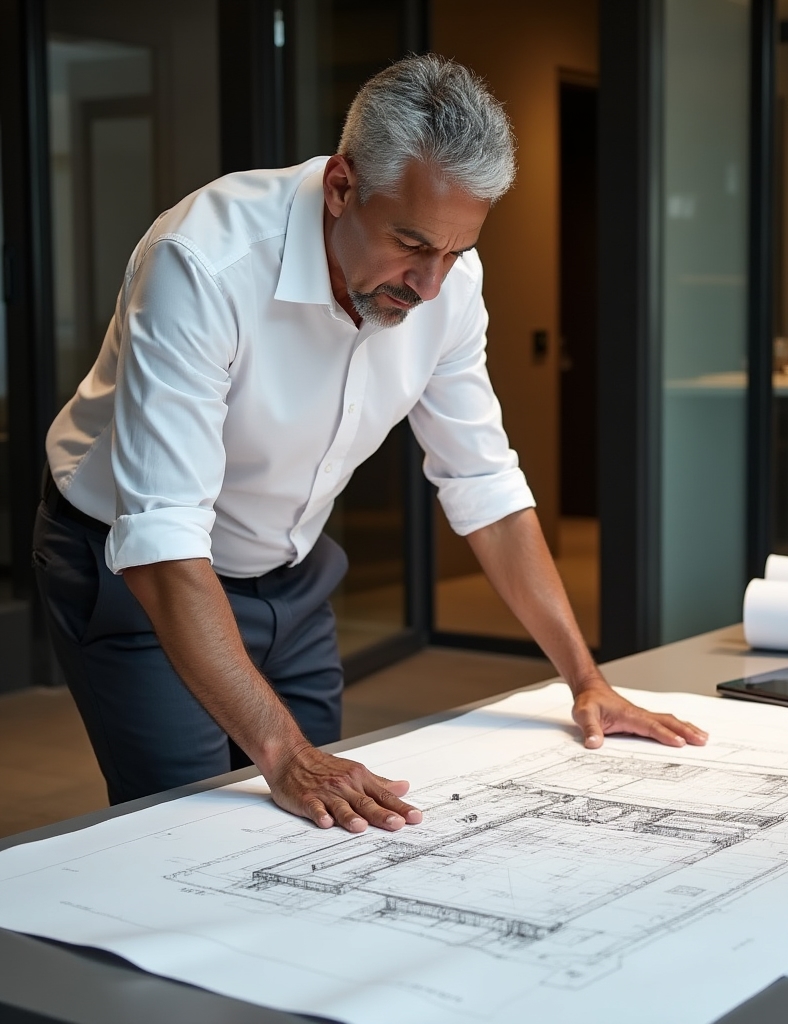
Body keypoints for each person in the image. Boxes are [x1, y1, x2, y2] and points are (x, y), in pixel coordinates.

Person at [34, 55, 707, 835]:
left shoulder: (448, 283)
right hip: (138, 571)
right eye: (411, 244)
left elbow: (484, 483)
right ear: (341, 186)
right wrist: (284, 754)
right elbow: (164, 536)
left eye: (455, 252)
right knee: (191, 829)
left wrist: (586, 680)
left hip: (290, 570)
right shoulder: (203, 262)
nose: (429, 285)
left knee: (321, 825)